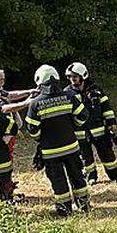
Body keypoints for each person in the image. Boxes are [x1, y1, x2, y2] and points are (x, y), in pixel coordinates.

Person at [23, 65, 91, 216]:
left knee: (58, 181)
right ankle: (84, 206)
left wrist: (41, 138)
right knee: (77, 176)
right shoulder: (68, 96)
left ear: (39, 81)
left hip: (50, 151)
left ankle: (64, 210)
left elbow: (32, 129)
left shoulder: (36, 103)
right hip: (72, 147)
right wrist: (72, 126)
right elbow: (83, 115)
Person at [65, 62, 117, 183]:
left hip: (98, 129)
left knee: (107, 153)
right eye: (70, 77)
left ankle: (115, 175)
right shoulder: (67, 93)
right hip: (80, 132)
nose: (72, 79)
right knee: (85, 157)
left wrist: (111, 122)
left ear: (83, 76)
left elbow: (105, 106)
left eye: (75, 77)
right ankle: (91, 177)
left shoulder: (96, 90)